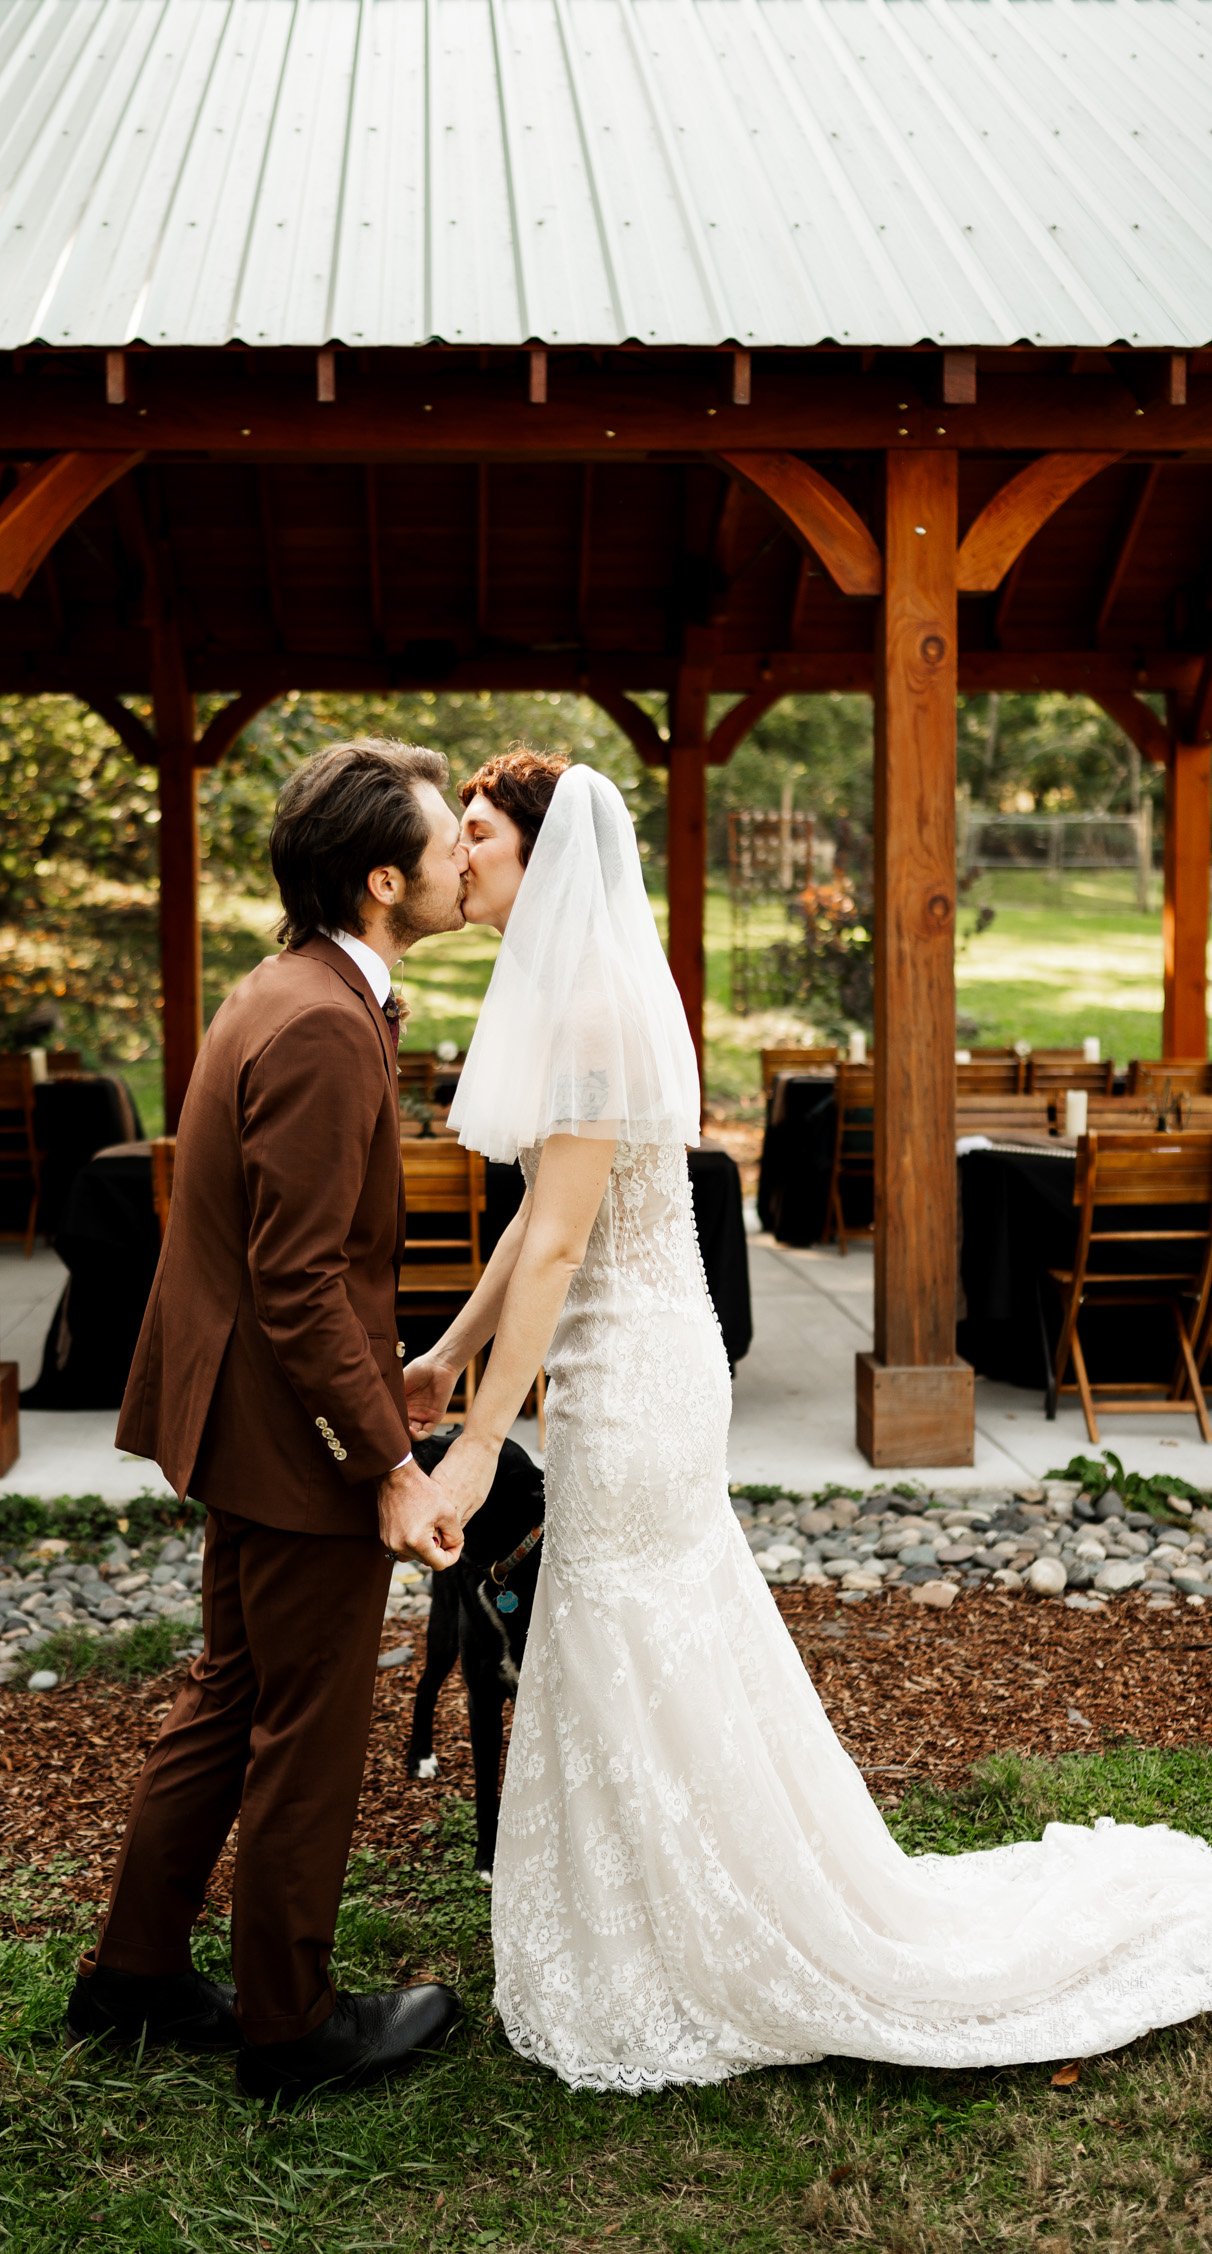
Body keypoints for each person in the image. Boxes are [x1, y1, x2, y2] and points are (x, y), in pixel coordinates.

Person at [404, 747, 1212, 2094]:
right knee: (632, 1635)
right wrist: (447, 1350)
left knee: (625, 1626)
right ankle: (650, 1927)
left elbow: (554, 1248)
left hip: (642, 1372)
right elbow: (541, 1224)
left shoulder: (593, 1002)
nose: (460, 852)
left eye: (477, 832)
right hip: (612, 1361)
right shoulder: (554, 990)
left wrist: (486, 1439)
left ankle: (711, 1938)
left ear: (539, 856)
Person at [70, 738, 468, 2101]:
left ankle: (130, 1976)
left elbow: (299, 1269)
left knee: (230, 1694)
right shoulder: (317, 1021)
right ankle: (290, 2028)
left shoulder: (291, 987)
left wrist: (389, 1369)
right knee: (307, 1721)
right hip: (291, 1440)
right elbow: (300, 1285)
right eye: (442, 837)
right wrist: (390, 1463)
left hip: (249, 1417)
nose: (465, 855)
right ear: (379, 879)